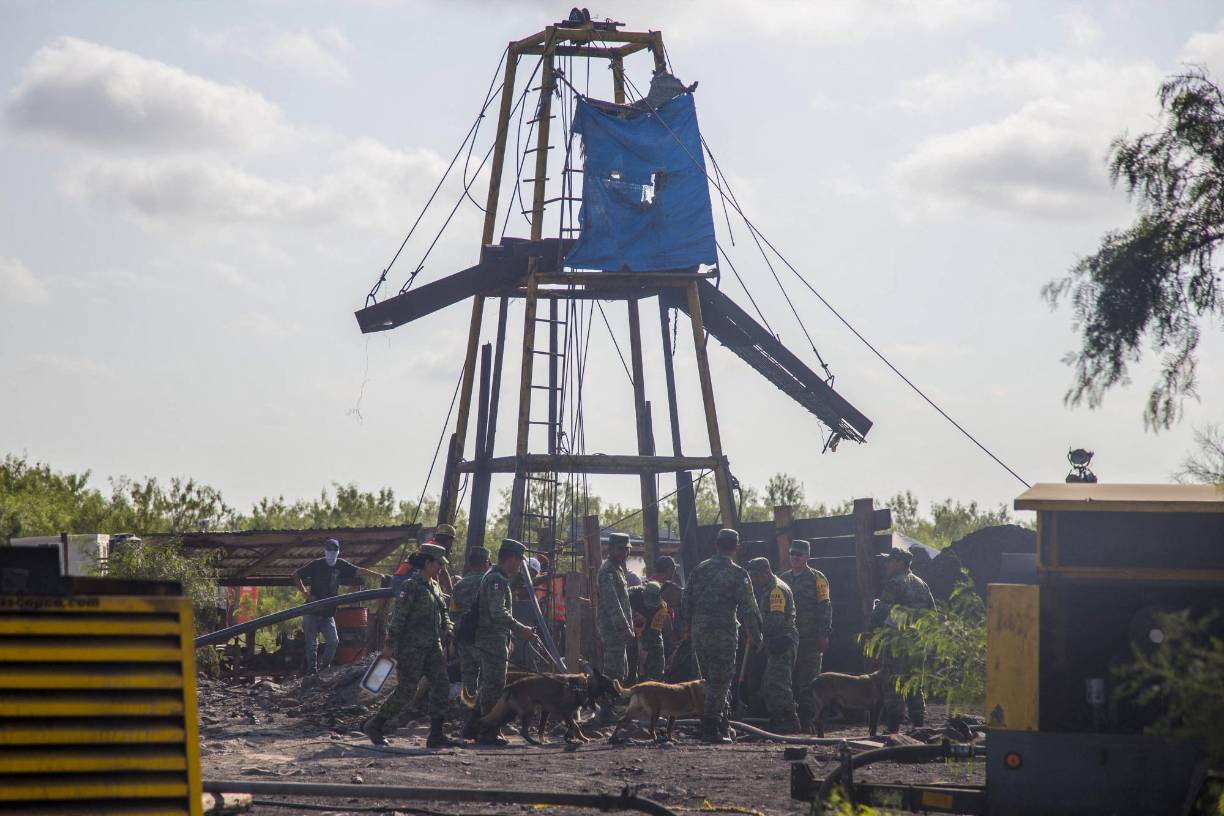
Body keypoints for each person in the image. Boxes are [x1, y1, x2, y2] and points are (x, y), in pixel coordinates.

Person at [362, 544, 462, 748]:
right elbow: (398, 618)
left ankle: (435, 735)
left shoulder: (434, 586)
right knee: (408, 689)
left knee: (441, 684)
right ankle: (376, 724)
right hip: (412, 648)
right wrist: (390, 645)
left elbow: (444, 613)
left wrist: (449, 628)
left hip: (433, 647)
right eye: (439, 564)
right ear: (427, 563)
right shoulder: (411, 586)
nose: (441, 568)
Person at [682, 528, 762, 743]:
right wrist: (755, 633)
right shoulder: (739, 574)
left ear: (716, 545)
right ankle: (710, 728)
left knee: (711, 681)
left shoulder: (699, 570)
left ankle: (723, 724)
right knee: (721, 681)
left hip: (700, 633)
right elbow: (749, 608)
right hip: (723, 634)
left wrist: (688, 627)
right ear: (736, 547)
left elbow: (686, 599)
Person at [474, 538, 539, 745]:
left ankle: (481, 727)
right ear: (511, 558)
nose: (520, 564)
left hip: (495, 639)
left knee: (491, 684)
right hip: (492, 639)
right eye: (519, 559)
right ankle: (487, 732)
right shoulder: (497, 580)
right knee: (494, 686)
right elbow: (497, 612)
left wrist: (509, 638)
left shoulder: (497, 577)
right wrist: (521, 629)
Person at [293, 539, 386, 676]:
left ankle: (324, 667)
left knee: (333, 641)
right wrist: (305, 593)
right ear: (325, 551)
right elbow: (296, 574)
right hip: (312, 611)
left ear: (338, 551)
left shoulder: (341, 565)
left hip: (328, 613)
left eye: (334, 550)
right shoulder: (317, 564)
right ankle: (312, 671)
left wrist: (378, 575)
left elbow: (359, 571)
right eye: (329, 550)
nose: (331, 553)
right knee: (311, 644)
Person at [871, 547, 936, 732]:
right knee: (914, 683)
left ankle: (893, 727)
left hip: (896, 642)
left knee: (893, 681)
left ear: (900, 563)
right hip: (917, 642)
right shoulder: (923, 584)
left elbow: (882, 610)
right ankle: (919, 725)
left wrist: (872, 628)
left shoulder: (894, 583)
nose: (887, 565)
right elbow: (933, 614)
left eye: (890, 561)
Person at [779, 539, 832, 733]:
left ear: (807, 556)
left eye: (798, 554)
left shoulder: (818, 579)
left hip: (810, 639)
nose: (794, 557)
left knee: (808, 681)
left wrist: (823, 634)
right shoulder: (783, 579)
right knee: (787, 680)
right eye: (792, 553)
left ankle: (809, 722)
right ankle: (792, 722)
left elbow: (825, 608)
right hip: (789, 639)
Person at [746, 557, 801, 733]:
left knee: (779, 683)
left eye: (755, 576)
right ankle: (779, 718)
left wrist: (759, 632)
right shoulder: (768, 588)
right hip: (776, 641)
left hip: (782, 641)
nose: (753, 580)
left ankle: (790, 720)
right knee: (770, 682)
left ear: (765, 572)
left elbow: (775, 621)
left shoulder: (776, 590)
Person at [451, 546, 490, 739]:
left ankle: (467, 718)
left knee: (468, 680)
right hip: (483, 639)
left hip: (463, 638)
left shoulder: (459, 586)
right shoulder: (487, 582)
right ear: (485, 563)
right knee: (488, 679)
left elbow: (453, 612)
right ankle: (482, 721)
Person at [597, 533, 635, 696]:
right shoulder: (608, 572)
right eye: (620, 549)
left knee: (621, 670)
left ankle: (612, 706)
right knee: (613, 671)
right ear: (610, 549)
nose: (624, 553)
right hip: (613, 630)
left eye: (626, 549)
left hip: (619, 631)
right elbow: (612, 602)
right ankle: (606, 710)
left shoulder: (617, 569)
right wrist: (623, 627)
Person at [636, 579, 669, 682]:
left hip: (652, 636)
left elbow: (654, 631)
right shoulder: (633, 594)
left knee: (656, 664)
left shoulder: (662, 608)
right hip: (631, 633)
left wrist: (645, 650)